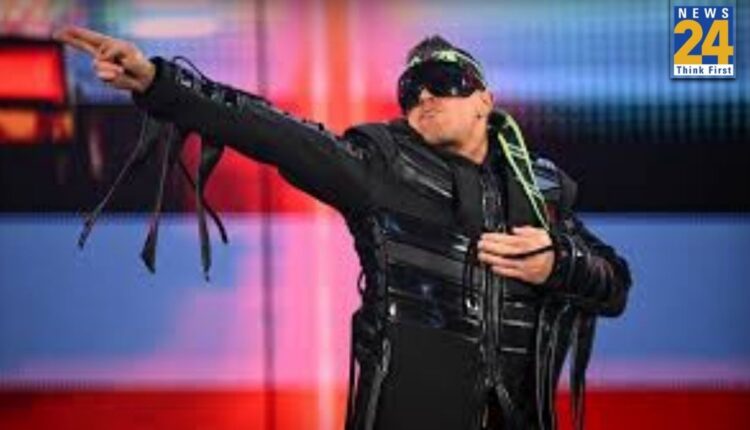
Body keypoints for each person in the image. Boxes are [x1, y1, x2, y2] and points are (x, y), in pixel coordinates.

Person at [54, 26, 632, 430]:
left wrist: (558, 263)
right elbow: (272, 131)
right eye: (410, 90)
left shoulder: (541, 192)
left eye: (442, 81)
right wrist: (160, 83)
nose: (424, 95)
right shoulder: (381, 165)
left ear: (485, 100)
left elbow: (615, 284)